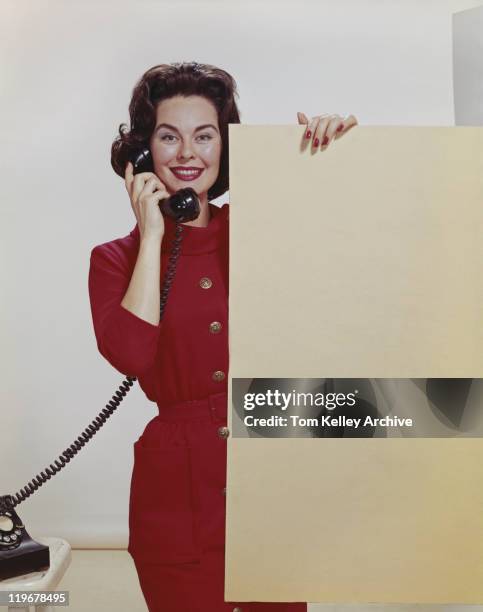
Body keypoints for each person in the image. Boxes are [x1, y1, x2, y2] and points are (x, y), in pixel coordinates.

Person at [88, 61, 357, 612]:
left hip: (268, 483)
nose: (188, 152)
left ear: (224, 146)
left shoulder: (262, 224)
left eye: (204, 135)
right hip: (175, 504)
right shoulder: (115, 259)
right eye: (169, 136)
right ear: (143, 153)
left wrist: (333, 156)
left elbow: (353, 243)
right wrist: (155, 233)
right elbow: (133, 355)